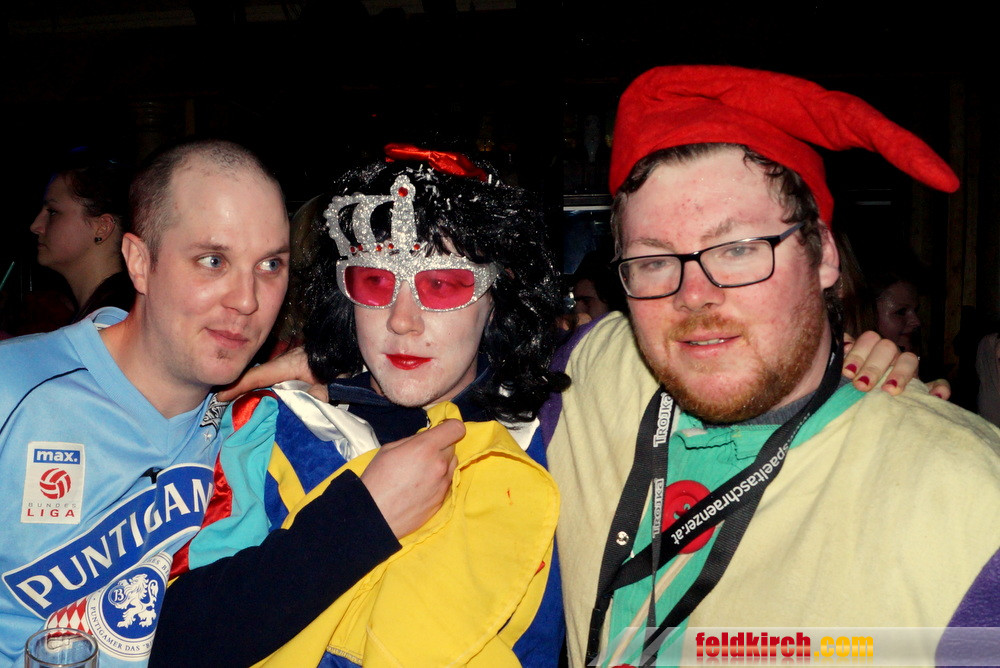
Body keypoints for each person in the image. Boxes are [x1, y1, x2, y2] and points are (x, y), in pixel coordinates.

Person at [542, 66, 1000, 666]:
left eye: (738, 249)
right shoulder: (586, 375)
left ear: (824, 255)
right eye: (653, 261)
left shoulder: (969, 506)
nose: (695, 295)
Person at [0, 138, 453, 668]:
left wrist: (344, 374)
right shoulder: (16, 390)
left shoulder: (260, 418)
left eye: (270, 265)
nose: (247, 300)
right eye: (213, 261)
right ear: (139, 262)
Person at [151, 144, 569, 667]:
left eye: (441, 285)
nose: (401, 320)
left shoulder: (556, 435)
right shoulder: (275, 432)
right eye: (374, 280)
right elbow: (168, 642)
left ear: (496, 297)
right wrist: (356, 522)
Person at [29, 148, 135, 324]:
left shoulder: (112, 321)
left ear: (102, 227)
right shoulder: (102, 312)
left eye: (53, 212)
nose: (35, 227)